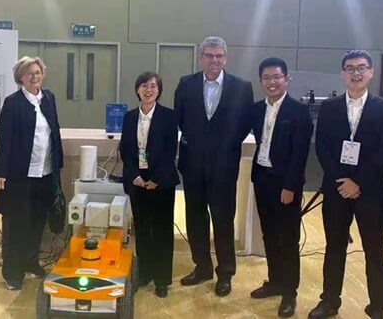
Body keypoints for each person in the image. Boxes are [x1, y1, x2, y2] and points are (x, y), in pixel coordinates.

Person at [309, 50, 383, 319]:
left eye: (361, 68)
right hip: (336, 189)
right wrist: (343, 180)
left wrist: (357, 182)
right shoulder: (329, 107)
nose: (356, 73)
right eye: (350, 68)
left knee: (374, 249)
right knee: (334, 247)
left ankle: (377, 306)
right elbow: (322, 147)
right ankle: (329, 301)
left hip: (370, 191)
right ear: (342, 73)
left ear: (371, 72)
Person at [174, 36, 253, 297]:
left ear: (225, 59)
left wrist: (224, 145)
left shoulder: (242, 87)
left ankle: (225, 273)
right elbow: (181, 119)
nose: (214, 60)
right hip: (193, 164)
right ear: (201, 58)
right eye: (209, 55)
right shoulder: (186, 84)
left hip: (224, 166)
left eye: (219, 56)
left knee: (223, 220)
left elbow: (245, 123)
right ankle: (202, 267)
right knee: (195, 219)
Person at [0, 56, 64, 290]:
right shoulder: (13, 103)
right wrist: (0, 171)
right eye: (29, 73)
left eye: (38, 72)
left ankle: (31, 262)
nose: (35, 77)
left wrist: (58, 168)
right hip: (19, 174)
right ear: (20, 77)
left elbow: (54, 133)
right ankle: (12, 272)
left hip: (46, 173)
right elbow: (5, 140)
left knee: (37, 221)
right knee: (15, 224)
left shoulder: (48, 98)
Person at [249, 58, 312, 317]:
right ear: (261, 81)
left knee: (288, 239)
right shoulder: (256, 109)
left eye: (276, 77)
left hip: (285, 184)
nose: (272, 82)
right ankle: (275, 282)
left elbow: (300, 154)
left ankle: (289, 292)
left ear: (286, 79)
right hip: (262, 179)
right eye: (266, 77)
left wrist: (290, 186)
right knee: (269, 235)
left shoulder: (299, 112)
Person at [119, 72, 179, 298]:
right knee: (142, 230)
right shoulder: (129, 117)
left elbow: (170, 151)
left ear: (159, 90)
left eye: (153, 86)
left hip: (161, 182)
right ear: (137, 89)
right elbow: (125, 150)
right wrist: (134, 175)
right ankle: (144, 273)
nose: (149, 90)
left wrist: (157, 179)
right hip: (138, 181)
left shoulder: (169, 116)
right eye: (144, 85)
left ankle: (162, 279)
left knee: (162, 230)